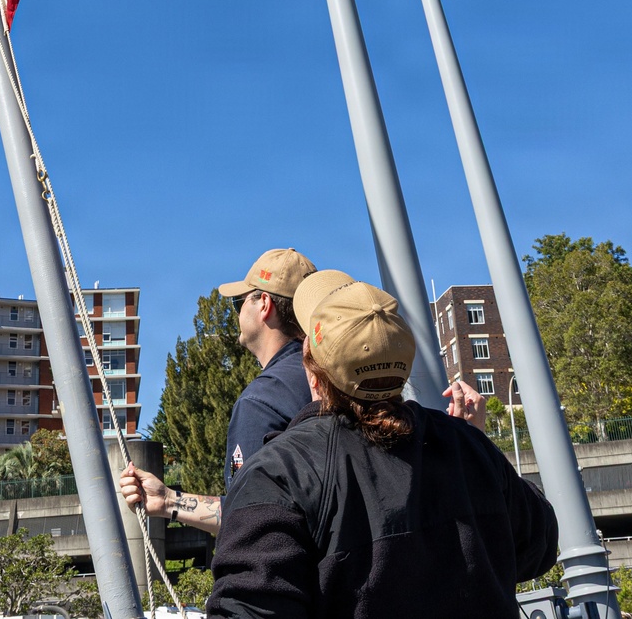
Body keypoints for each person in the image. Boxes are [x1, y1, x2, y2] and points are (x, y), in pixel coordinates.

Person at [205, 270, 558, 618]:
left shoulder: (281, 471)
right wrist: (471, 449)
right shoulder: (468, 446)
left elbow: (248, 607)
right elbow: (537, 547)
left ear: (310, 362)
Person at [119, 250, 486, 536]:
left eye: (239, 302)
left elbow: (251, 518)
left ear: (263, 304)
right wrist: (465, 443)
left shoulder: (262, 402)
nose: (235, 313)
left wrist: (170, 502)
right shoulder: (364, 388)